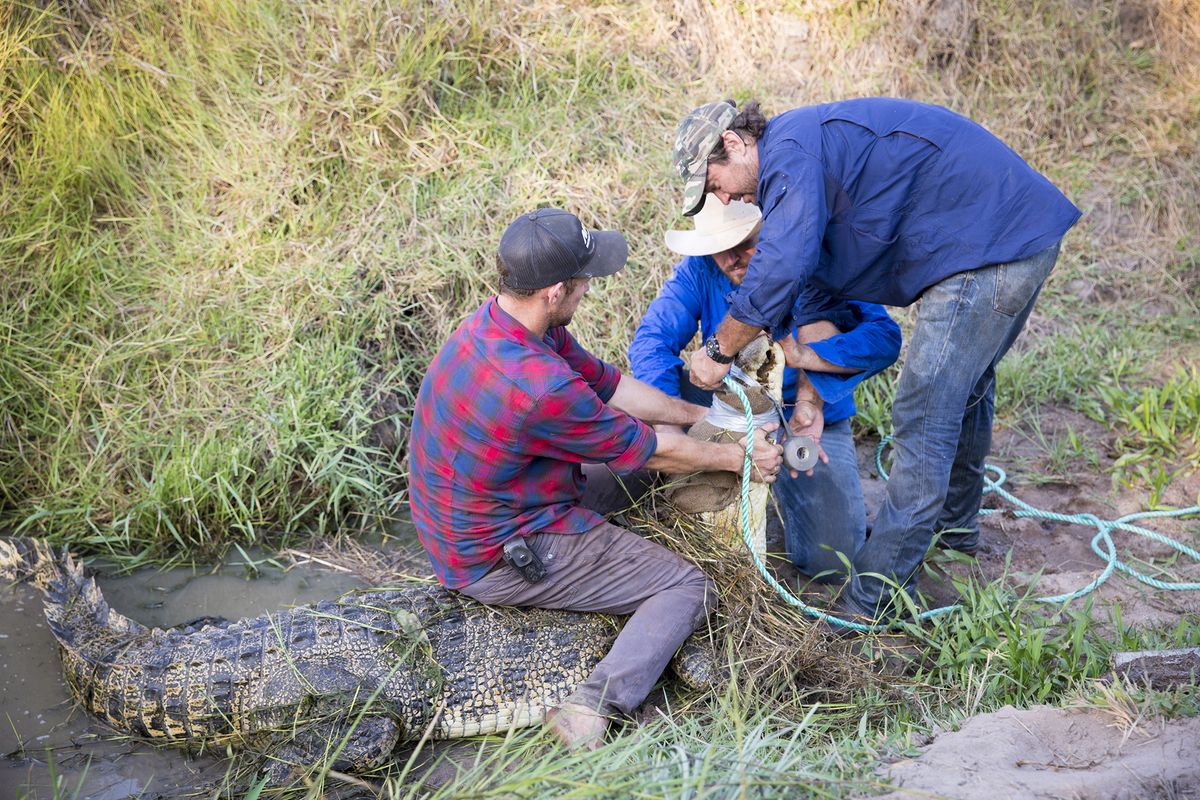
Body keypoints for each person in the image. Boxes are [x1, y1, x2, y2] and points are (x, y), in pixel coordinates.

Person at [671, 97, 1082, 621]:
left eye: (715, 184)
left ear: (732, 143)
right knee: (967, 389)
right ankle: (955, 536)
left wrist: (717, 350)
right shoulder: (799, 161)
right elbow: (816, 294)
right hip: (1016, 234)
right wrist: (809, 403)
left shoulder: (790, 152)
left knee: (923, 413)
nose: (723, 197)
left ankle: (869, 600)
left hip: (989, 248)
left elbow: (780, 268)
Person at [407, 208, 783, 750]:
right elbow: (648, 452)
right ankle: (590, 706)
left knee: (651, 464)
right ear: (557, 290)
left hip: (488, 504)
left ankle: (611, 554)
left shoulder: (503, 325)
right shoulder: (538, 385)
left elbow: (612, 388)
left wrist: (698, 419)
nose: (591, 287)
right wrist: (738, 457)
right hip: (494, 552)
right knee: (686, 586)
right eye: (586, 279)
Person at [629, 195, 900, 580]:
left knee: (830, 564)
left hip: (805, 416)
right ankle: (694, 482)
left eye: (743, 244)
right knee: (646, 403)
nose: (730, 260)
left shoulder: (818, 262)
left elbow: (884, 337)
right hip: (728, 405)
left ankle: (778, 488)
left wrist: (809, 368)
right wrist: (671, 429)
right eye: (718, 249)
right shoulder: (701, 268)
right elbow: (652, 342)